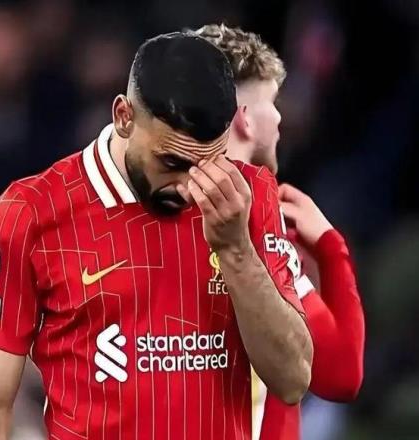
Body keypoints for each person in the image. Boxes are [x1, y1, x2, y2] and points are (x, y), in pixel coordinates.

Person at [0, 32, 313, 440]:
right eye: (172, 162)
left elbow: (292, 379)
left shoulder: (247, 197)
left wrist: (236, 250)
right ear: (124, 116)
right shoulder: (32, 211)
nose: (188, 188)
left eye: (208, 163)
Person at [196, 23, 365, 440]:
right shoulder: (254, 217)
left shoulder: (146, 208)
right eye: (272, 102)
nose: (280, 117)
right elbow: (341, 373)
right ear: (245, 120)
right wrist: (330, 246)